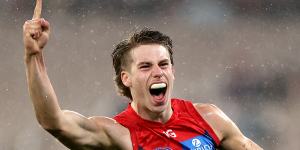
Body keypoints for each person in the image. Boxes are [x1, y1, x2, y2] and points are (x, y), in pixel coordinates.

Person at [23, 1, 263, 149]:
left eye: (163, 64)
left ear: (173, 71)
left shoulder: (208, 118)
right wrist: (34, 56)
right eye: (146, 66)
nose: (158, 73)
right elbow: (52, 121)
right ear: (126, 78)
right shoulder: (117, 134)